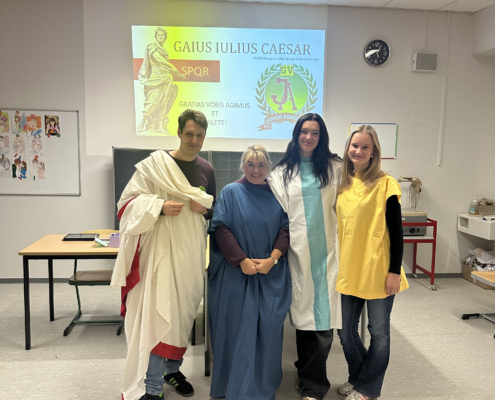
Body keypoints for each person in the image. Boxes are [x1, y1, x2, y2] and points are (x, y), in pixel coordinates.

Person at [111, 109, 216, 400]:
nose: (194, 140)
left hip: (190, 253)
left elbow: (214, 209)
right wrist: (158, 207)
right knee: (159, 311)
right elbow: (126, 204)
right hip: (159, 254)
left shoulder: (206, 169)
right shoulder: (155, 165)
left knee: (182, 314)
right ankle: (152, 386)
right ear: (179, 132)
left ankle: (173, 370)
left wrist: (205, 210)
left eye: (200, 135)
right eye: (189, 134)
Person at [268, 113, 342, 400]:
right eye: (304, 131)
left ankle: (314, 386)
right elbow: (276, 212)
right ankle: (305, 372)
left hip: (330, 254)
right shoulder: (283, 172)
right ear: (296, 134)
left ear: (321, 137)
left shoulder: (335, 168)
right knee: (303, 320)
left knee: (323, 323)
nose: (308, 137)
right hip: (299, 255)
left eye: (315, 132)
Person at [208, 145, 291, 400]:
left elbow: (286, 229)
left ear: (269, 167)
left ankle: (261, 385)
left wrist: (272, 260)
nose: (256, 170)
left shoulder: (278, 195)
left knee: (268, 330)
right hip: (236, 273)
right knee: (234, 330)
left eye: (261, 165)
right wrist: (241, 260)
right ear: (242, 166)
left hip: (269, 273)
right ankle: (231, 385)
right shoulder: (230, 192)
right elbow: (220, 228)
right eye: (250, 165)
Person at [336, 125, 409, 400]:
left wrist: (394, 271)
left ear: (374, 151)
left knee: (378, 333)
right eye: (355, 145)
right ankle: (359, 378)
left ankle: (368, 389)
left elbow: (397, 231)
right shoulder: (343, 183)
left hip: (378, 268)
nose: (358, 151)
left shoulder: (385, 183)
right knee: (345, 333)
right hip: (349, 268)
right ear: (348, 148)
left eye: (365, 147)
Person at [137, 27, 184, 135]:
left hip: (166, 78)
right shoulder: (152, 47)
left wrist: (171, 70)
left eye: (162, 35)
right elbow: (158, 58)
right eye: (158, 35)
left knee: (164, 102)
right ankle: (142, 123)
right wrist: (171, 66)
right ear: (155, 36)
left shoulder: (165, 51)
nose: (160, 36)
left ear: (165, 37)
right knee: (153, 101)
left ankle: (160, 125)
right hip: (155, 79)